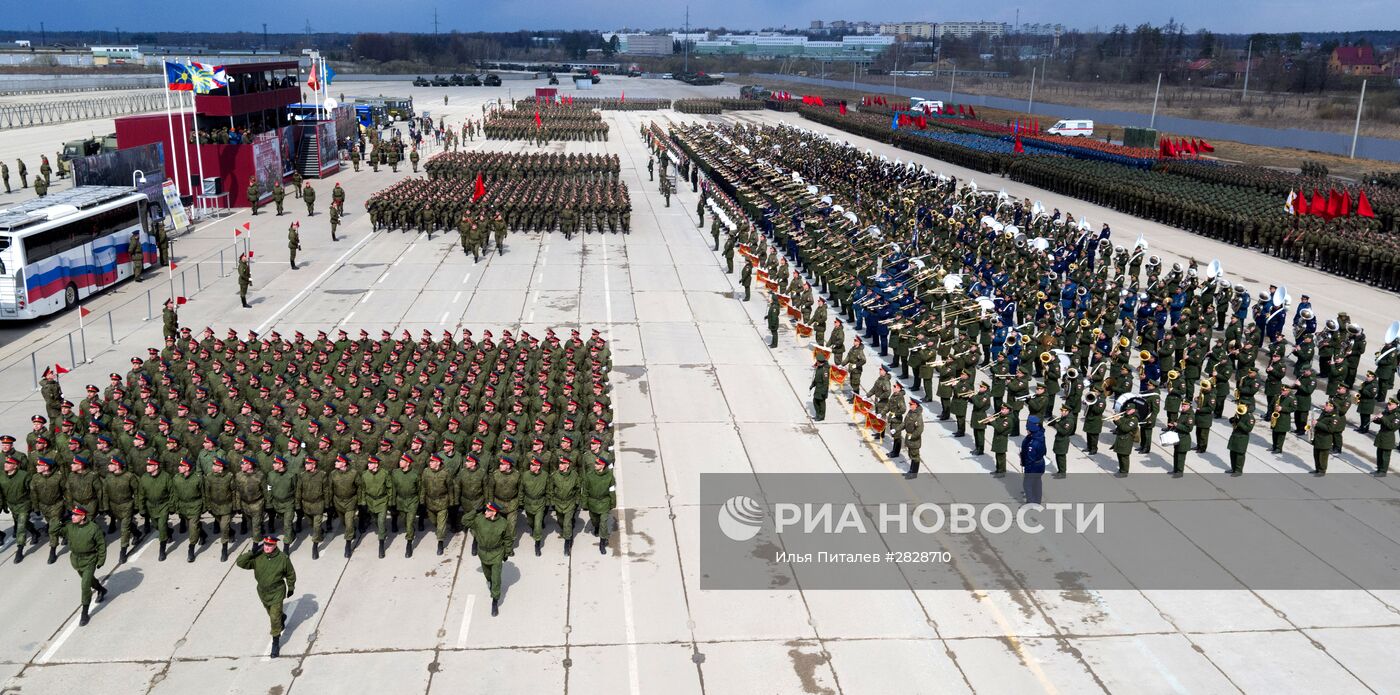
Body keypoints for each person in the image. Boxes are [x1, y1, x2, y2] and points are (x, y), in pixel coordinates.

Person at [236, 535, 297, 658]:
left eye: (270, 545)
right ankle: (282, 617)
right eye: (265, 544)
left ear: (275, 545)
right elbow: (240, 563)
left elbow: (290, 573)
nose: (267, 547)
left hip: (277, 592)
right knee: (272, 613)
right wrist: (251, 552)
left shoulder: (282, 558)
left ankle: (275, 641)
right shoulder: (258, 556)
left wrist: (291, 587)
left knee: (274, 618)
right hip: (263, 592)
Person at [64, 506, 108, 627]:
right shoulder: (70, 527)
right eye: (72, 514)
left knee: (85, 586)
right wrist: (58, 521)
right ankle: (101, 589)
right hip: (76, 560)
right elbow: (54, 531)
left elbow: (101, 545)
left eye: (75, 515)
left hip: (89, 560)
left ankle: (84, 613)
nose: (72, 517)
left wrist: (101, 560)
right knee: (88, 580)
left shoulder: (93, 528)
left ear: (83, 516)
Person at [470, 501, 512, 616]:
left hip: (497, 553)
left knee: (496, 578)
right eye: (486, 510)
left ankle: (495, 601)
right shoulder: (479, 519)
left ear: (494, 512)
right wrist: (475, 511)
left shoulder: (503, 523)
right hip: (483, 553)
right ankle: (491, 583)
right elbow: (465, 520)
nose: (486, 512)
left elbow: (508, 538)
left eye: (488, 510)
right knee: (488, 576)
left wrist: (507, 552)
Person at [0, 451, 33, 562]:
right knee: (24, 524)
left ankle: (20, 549)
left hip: (24, 504)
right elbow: (1, 494)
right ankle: (35, 532)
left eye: (9, 463)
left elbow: (32, 491)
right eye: (5, 463)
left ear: (15, 465)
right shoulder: (1, 476)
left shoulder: (24, 476)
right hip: (12, 506)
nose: (6, 465)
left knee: (21, 527)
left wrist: (34, 505)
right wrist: (3, 506)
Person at [582, 455, 616, 554]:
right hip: (592, 503)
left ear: (603, 465)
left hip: (604, 503)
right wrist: (584, 504)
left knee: (603, 523)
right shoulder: (589, 475)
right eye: (595, 463)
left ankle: (602, 542)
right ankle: (596, 527)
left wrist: (613, 503)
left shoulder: (609, 476)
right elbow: (585, 491)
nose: (595, 464)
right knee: (595, 520)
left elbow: (612, 491)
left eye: (597, 463)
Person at [1020, 415, 1047, 504]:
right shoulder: (1040, 435)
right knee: (1037, 483)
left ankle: (1030, 503)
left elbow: (1030, 459)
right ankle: (1037, 501)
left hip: (1033, 466)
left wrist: (1025, 465)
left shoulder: (1033, 443)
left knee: (1027, 485)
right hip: (1040, 464)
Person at [900, 399, 925, 479]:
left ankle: (914, 474)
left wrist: (912, 436)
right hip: (909, 438)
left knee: (915, 456)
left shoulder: (918, 416)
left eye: (911, 404)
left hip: (914, 440)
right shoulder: (910, 412)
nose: (910, 406)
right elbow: (905, 423)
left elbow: (919, 430)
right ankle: (911, 471)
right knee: (911, 455)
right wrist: (897, 429)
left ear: (916, 405)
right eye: (910, 404)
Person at [810, 353, 829, 421]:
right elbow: (816, 378)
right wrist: (812, 385)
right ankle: (817, 414)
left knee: (821, 403)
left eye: (817, 361)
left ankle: (821, 416)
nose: (816, 362)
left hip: (822, 389)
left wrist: (824, 392)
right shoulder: (819, 367)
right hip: (818, 388)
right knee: (815, 401)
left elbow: (826, 382)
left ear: (819, 361)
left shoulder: (824, 370)